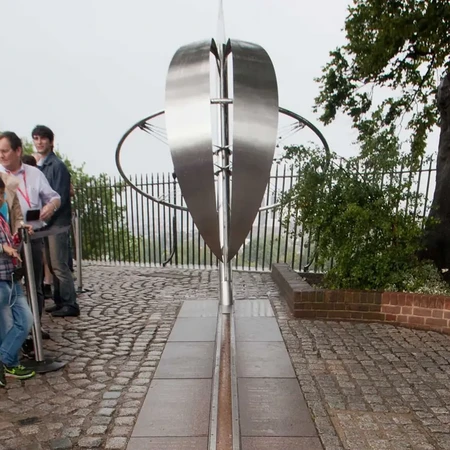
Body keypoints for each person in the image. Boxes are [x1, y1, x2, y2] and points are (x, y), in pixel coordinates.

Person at [0, 132, 61, 319]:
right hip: (6, 240)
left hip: (32, 236)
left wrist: (50, 206)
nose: (1, 155)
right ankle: (14, 327)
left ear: (18, 151)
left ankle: (35, 326)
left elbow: (55, 197)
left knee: (34, 285)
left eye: (5, 151)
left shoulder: (35, 173)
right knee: (8, 286)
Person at [32, 125, 79, 317]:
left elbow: (60, 197)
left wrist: (46, 217)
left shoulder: (57, 166)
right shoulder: (41, 166)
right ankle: (60, 300)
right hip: (47, 222)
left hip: (56, 222)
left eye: (43, 138)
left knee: (59, 264)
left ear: (51, 141)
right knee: (52, 264)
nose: (39, 142)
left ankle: (70, 303)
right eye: (36, 138)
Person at [0, 177, 35, 387]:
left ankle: (5, 360)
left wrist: (19, 236)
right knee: (8, 324)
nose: (1, 199)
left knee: (24, 320)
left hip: (11, 276)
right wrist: (3, 248)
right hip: (2, 279)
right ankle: (9, 363)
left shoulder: (2, 218)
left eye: (1, 194)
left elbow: (8, 243)